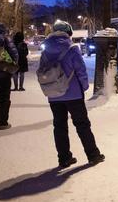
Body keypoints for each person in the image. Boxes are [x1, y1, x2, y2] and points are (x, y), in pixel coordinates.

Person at [40, 20, 104, 167]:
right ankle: (93, 155)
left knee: (59, 126)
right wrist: (84, 87)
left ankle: (64, 158)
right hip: (74, 94)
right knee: (82, 124)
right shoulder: (72, 49)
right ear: (68, 33)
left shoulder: (46, 50)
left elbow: (43, 71)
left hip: (54, 94)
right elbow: (81, 71)